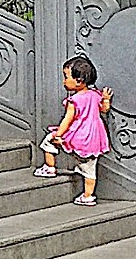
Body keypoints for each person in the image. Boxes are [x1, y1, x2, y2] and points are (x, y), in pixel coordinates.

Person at [39, 54, 111, 205]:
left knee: (48, 141)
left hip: (78, 136)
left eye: (66, 77)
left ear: (79, 81)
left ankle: (49, 167)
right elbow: (104, 109)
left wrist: (58, 135)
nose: (64, 81)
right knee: (90, 168)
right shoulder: (95, 95)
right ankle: (88, 196)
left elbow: (67, 120)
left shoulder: (74, 100)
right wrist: (105, 99)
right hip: (93, 138)